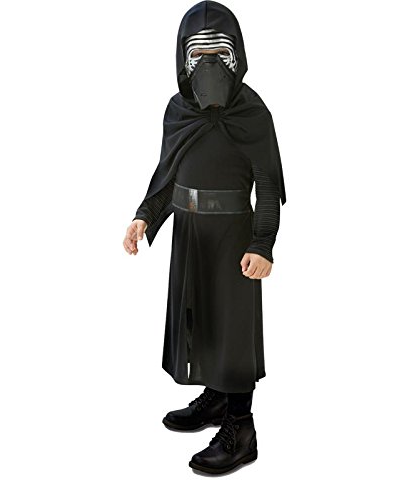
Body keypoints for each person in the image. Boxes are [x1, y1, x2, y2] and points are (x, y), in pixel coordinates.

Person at [123, 1, 286, 474]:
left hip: (234, 236)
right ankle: (215, 398)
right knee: (200, 320)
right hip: (189, 233)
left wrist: (262, 243)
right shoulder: (178, 110)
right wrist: (144, 217)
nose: (210, 65)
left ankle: (241, 428)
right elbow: (168, 173)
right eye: (200, 53)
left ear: (237, 55)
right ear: (183, 58)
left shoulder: (252, 112)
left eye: (220, 53)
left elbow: (268, 185)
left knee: (234, 328)